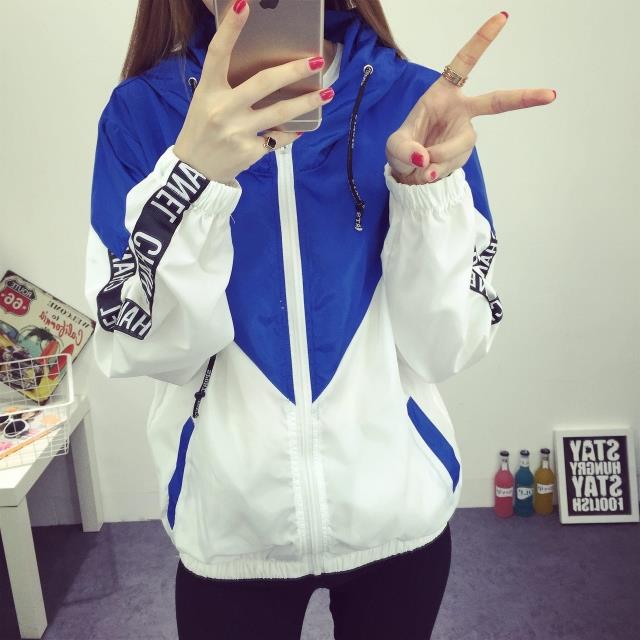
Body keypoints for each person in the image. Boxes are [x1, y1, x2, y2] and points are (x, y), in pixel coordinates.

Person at [84, 0, 555, 637]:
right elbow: (146, 350)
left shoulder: (416, 103)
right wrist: (192, 178)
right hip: (230, 523)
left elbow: (445, 348)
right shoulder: (142, 114)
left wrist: (425, 194)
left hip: (397, 515)